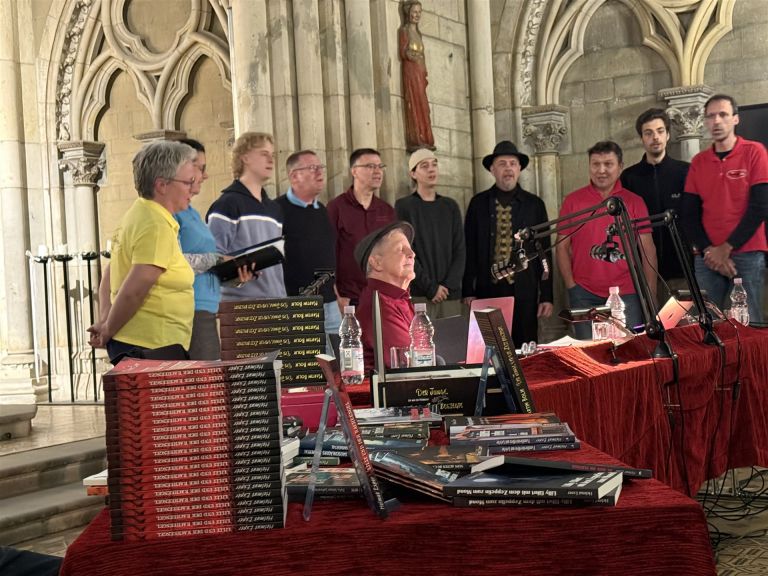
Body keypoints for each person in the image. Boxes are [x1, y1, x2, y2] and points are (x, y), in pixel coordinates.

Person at [88, 140, 197, 362]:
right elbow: (134, 291)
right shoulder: (155, 225)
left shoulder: (137, 214)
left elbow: (111, 272)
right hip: (151, 347)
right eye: (188, 182)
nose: (193, 189)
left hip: (142, 344)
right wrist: (107, 328)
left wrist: (106, 319)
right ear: (162, 185)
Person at [556, 141, 657, 339]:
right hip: (584, 293)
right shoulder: (573, 201)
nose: (601, 170)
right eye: (596, 164)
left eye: (608, 164)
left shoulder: (634, 202)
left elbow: (648, 250)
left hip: (627, 293)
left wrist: (650, 294)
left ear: (620, 167)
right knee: (590, 356)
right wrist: (571, 286)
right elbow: (561, 247)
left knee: (631, 351)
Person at [681, 94, 768, 323]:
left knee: (750, 326)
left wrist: (726, 248)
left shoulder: (754, 152)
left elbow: (760, 205)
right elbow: (688, 214)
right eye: (710, 116)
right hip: (707, 257)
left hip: (747, 253)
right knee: (706, 327)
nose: (716, 121)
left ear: (735, 119)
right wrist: (710, 251)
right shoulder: (699, 162)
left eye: (723, 115)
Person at [462, 141, 553, 346]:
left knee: (525, 349)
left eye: (513, 163)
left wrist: (546, 295)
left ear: (519, 169)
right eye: (502, 163)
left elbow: (544, 252)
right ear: (492, 169)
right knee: (488, 350)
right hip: (487, 290)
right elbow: (469, 247)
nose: (508, 168)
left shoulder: (534, 204)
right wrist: (468, 289)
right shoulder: (478, 203)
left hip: (524, 291)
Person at [207, 132, 287, 301]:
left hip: (276, 301)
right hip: (241, 304)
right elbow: (212, 258)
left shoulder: (274, 209)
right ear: (245, 157)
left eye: (272, 155)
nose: (271, 160)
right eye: (264, 154)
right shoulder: (227, 204)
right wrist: (237, 275)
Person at [621, 109, 690, 300]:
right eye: (648, 133)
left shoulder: (685, 172)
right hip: (642, 272)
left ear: (668, 135)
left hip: (682, 271)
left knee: (686, 328)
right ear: (641, 138)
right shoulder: (629, 177)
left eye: (660, 131)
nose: (655, 137)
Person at [276, 150, 341, 353]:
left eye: (321, 168)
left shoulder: (322, 210)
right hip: (297, 305)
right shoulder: (277, 210)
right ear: (294, 176)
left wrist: (336, 294)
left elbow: (327, 256)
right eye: (312, 168)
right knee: (307, 370)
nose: (320, 172)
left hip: (330, 303)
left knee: (337, 365)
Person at [395, 148, 464, 319]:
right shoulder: (404, 207)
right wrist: (430, 288)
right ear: (413, 173)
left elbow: (460, 249)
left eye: (434, 165)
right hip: (421, 294)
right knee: (422, 344)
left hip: (449, 295)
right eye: (424, 166)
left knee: (453, 343)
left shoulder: (450, 206)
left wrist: (448, 285)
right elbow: (406, 251)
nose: (431, 169)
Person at [327, 148, 396, 310]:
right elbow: (327, 255)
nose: (378, 171)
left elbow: (394, 253)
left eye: (380, 166)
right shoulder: (336, 207)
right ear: (354, 171)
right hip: (348, 299)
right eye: (371, 166)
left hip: (382, 298)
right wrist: (335, 297)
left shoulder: (386, 210)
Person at [353, 221, 416, 372]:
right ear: (376, 263)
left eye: (411, 249)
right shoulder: (379, 306)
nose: (412, 254)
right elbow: (414, 364)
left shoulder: (395, 298)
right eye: (401, 249)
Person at [398, 0, 434, 151]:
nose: (417, 15)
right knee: (415, 102)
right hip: (411, 72)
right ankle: (416, 137)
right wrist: (413, 56)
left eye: (419, 12)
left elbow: (422, 55)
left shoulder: (418, 33)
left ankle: (426, 136)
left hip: (419, 71)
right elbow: (403, 52)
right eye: (414, 12)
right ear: (408, 13)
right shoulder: (404, 31)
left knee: (424, 105)